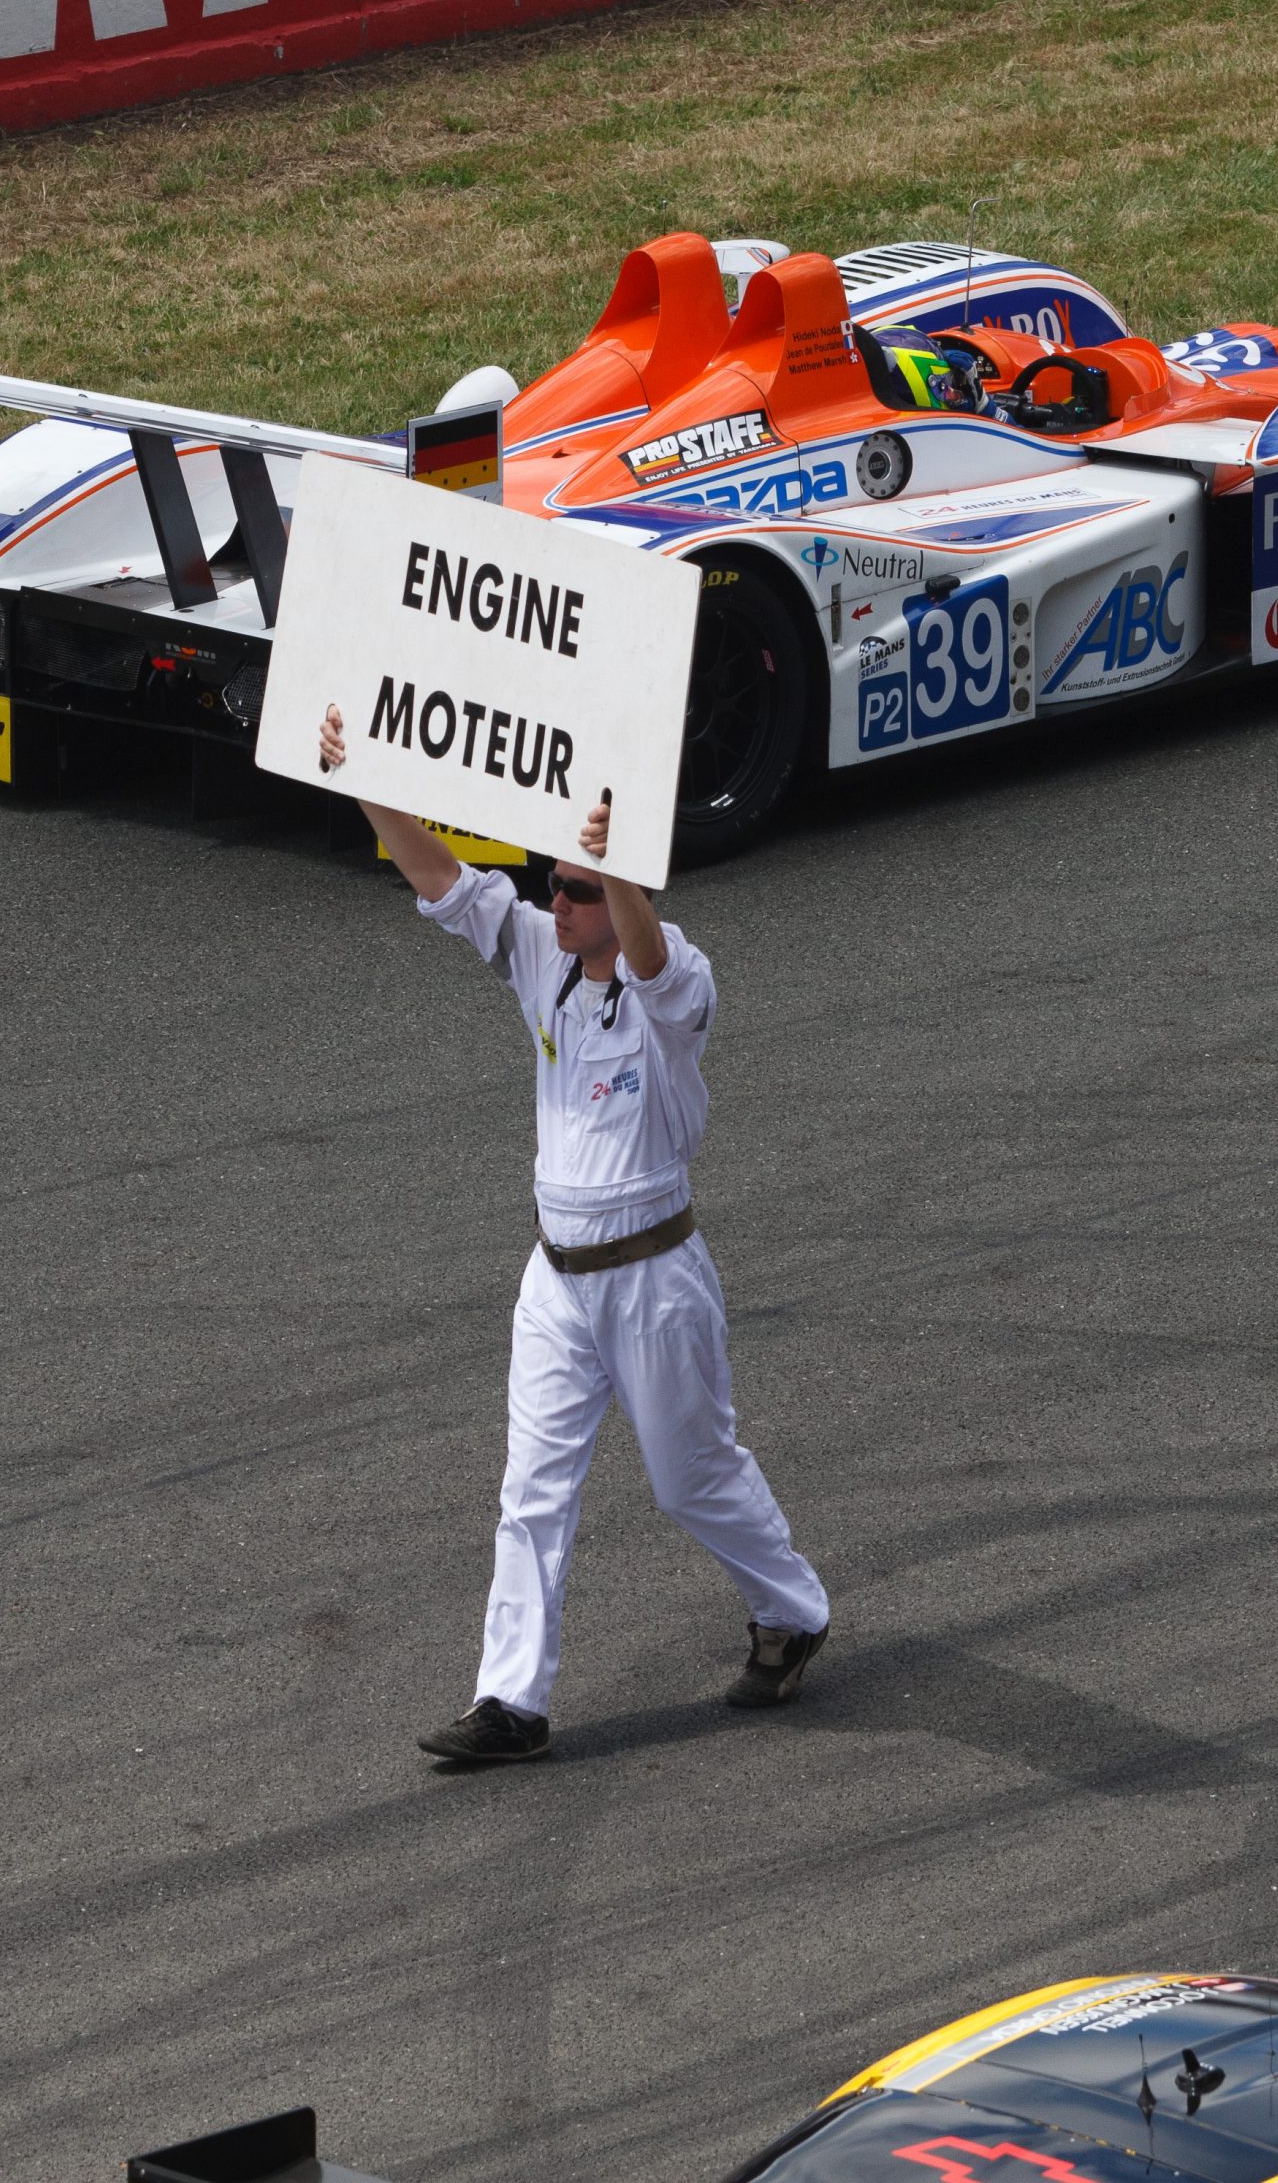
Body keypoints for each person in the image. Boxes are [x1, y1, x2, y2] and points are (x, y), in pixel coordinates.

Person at [318, 704, 829, 1763]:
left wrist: (622, 870)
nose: (556, 897)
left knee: (689, 1480)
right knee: (531, 1490)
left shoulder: (675, 981)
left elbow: (644, 954)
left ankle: (793, 1608)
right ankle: (512, 1702)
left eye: (577, 886)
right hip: (556, 1277)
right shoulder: (540, 953)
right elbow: (447, 883)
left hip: (655, 1279)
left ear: (626, 889)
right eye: (553, 880)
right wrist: (365, 778)